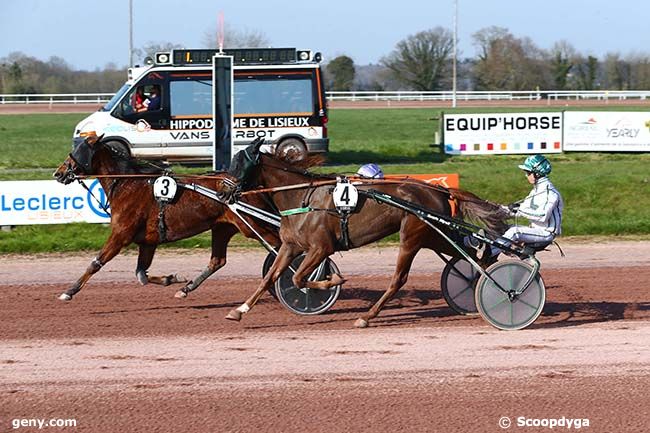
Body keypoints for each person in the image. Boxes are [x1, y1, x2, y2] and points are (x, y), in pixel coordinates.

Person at [494, 154, 564, 255]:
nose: (526, 175)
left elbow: (542, 216)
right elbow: (521, 209)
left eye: (528, 172)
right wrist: (498, 210)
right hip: (535, 230)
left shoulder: (550, 193)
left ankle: (490, 252)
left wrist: (519, 209)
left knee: (515, 232)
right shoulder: (536, 191)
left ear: (537, 174)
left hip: (546, 234)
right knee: (502, 228)